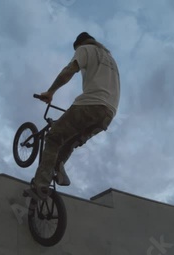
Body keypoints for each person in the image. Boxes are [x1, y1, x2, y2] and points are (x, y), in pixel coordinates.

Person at [26, 32, 120, 199]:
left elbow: (69, 70)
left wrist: (50, 92)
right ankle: (58, 167)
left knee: (54, 138)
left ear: (78, 45)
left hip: (91, 104)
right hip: (108, 113)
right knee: (71, 140)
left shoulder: (85, 49)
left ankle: (40, 185)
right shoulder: (111, 59)